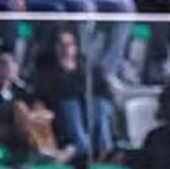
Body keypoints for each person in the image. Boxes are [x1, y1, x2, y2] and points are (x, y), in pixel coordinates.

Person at [34, 29, 117, 161]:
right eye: (61, 45)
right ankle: (81, 146)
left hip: (89, 111)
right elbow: (48, 94)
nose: (66, 49)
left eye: (70, 44)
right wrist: (63, 71)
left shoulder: (87, 66)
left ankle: (104, 149)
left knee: (99, 105)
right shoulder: (47, 69)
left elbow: (103, 91)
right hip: (61, 114)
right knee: (70, 104)